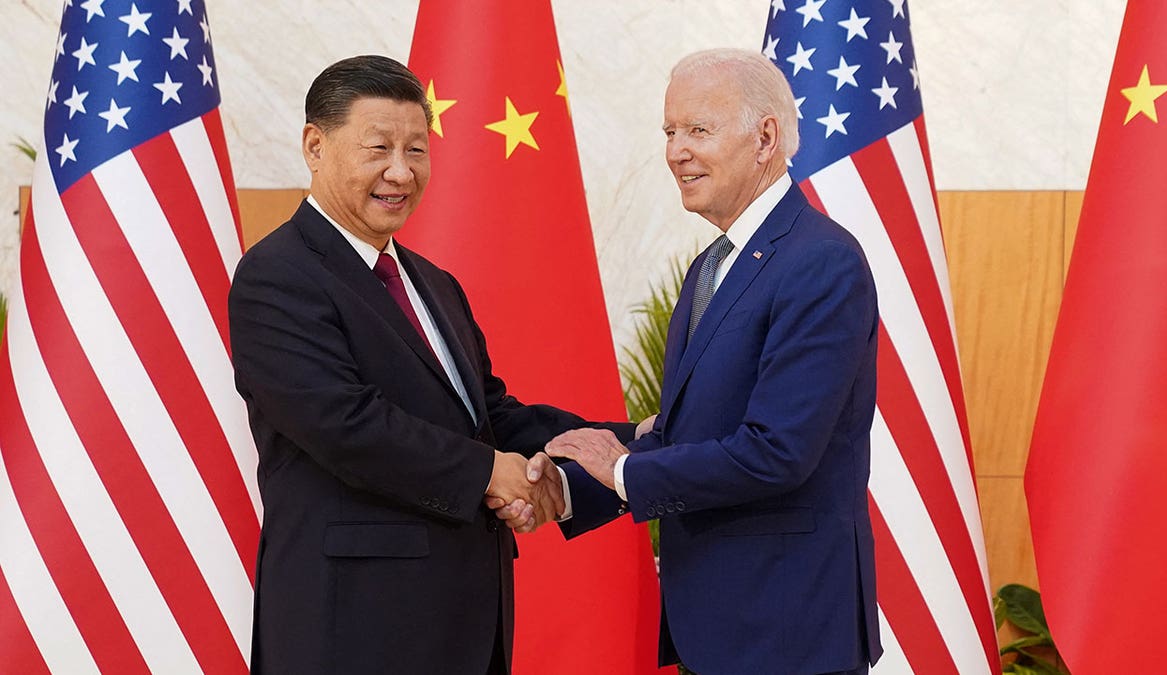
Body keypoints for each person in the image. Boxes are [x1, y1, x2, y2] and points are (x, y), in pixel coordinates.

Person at [228, 55, 628, 675]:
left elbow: (487, 414)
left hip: (466, 623)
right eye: (378, 148)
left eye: (417, 150)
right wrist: (493, 474)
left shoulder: (433, 283)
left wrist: (615, 448)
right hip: (354, 631)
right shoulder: (277, 276)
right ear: (315, 145)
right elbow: (347, 426)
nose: (401, 171)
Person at [506, 48, 884, 674]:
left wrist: (622, 471)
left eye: (697, 130)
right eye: (669, 132)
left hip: (786, 632)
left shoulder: (821, 261)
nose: (675, 151)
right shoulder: (712, 264)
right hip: (720, 625)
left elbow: (776, 452)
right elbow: (687, 435)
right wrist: (572, 489)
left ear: (765, 137)